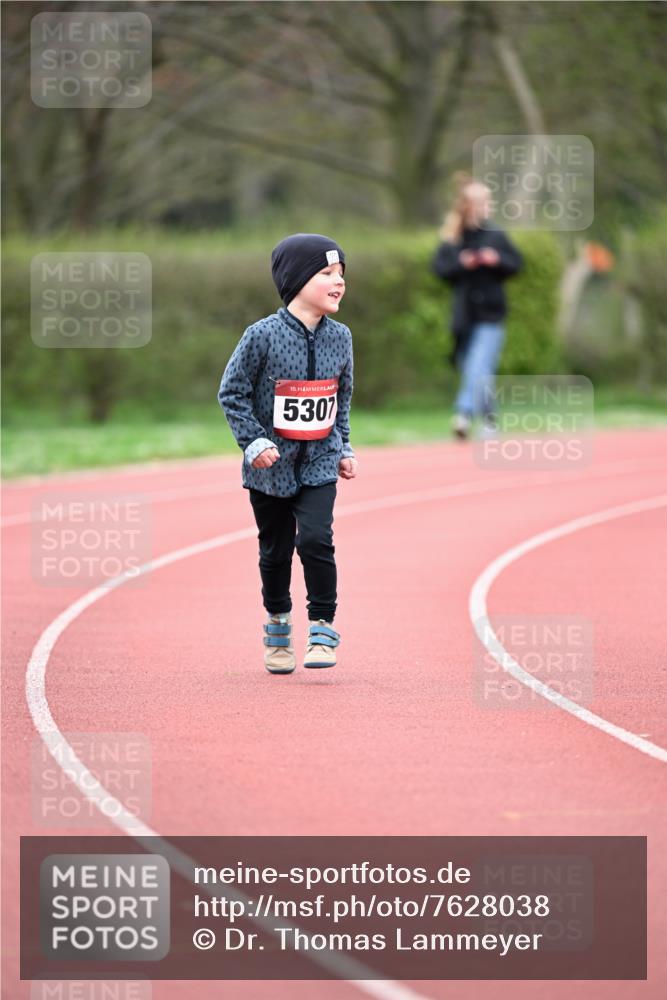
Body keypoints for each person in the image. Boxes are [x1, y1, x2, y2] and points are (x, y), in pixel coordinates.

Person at [218, 233, 357, 674]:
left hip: (319, 459)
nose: (338, 283)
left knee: (316, 539)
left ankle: (322, 627)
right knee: (275, 552)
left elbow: (342, 397)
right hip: (270, 467)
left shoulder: (342, 338)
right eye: (326, 274)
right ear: (297, 282)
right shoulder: (261, 336)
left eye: (341, 275)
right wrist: (253, 441)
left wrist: (344, 445)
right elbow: (232, 392)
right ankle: (278, 624)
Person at [432, 177, 523, 439]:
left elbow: (516, 264)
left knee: (479, 364)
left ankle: (463, 413)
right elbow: (440, 269)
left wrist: (496, 260)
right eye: (483, 202)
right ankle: (490, 420)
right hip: (464, 314)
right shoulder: (453, 239)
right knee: (475, 368)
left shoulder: (496, 235)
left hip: (491, 313)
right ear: (468, 206)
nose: (488, 206)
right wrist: (463, 263)